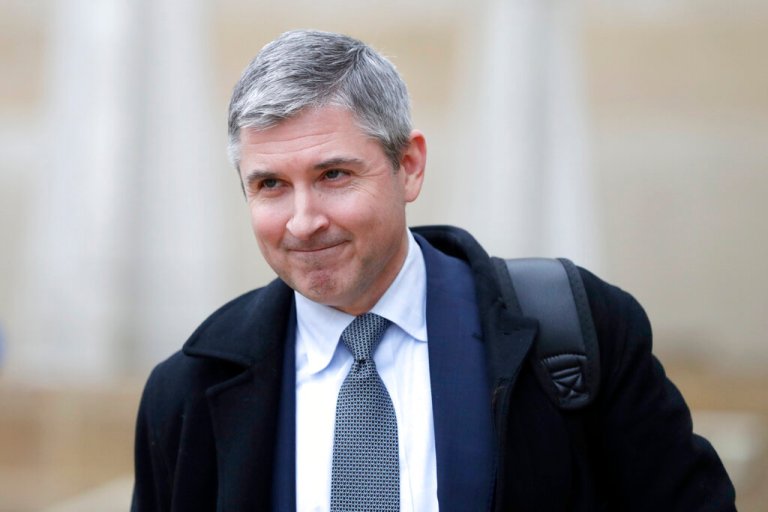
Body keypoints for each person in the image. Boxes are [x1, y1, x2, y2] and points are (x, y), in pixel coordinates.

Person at [132, 30, 736, 511]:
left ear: (410, 166)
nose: (303, 221)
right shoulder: (186, 392)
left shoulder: (577, 331)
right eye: (270, 186)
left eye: (333, 175)